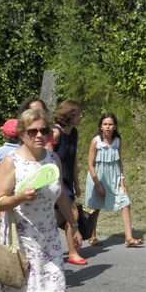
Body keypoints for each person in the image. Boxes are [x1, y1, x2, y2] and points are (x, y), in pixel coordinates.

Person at [0, 108, 82, 292]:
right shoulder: (11, 161)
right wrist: (20, 196)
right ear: (22, 134)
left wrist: (73, 226)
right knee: (23, 288)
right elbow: (0, 201)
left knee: (55, 281)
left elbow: (61, 194)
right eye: (33, 131)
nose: (40, 135)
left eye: (44, 130)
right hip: (23, 233)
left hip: (49, 231)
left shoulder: (52, 159)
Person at [83, 112, 142, 247]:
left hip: (114, 177)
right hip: (98, 177)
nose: (108, 127)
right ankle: (92, 235)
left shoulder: (117, 141)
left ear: (115, 126)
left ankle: (129, 238)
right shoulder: (95, 141)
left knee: (125, 202)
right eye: (105, 124)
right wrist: (97, 184)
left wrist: (122, 181)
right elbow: (90, 164)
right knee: (96, 207)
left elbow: (119, 162)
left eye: (110, 124)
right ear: (101, 127)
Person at [52, 100, 86, 265]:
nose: (81, 116)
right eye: (79, 114)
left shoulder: (74, 133)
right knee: (70, 215)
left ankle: (71, 252)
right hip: (55, 181)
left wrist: (77, 183)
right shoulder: (55, 134)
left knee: (67, 216)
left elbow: (73, 160)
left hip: (68, 179)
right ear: (70, 115)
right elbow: (46, 159)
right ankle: (70, 252)